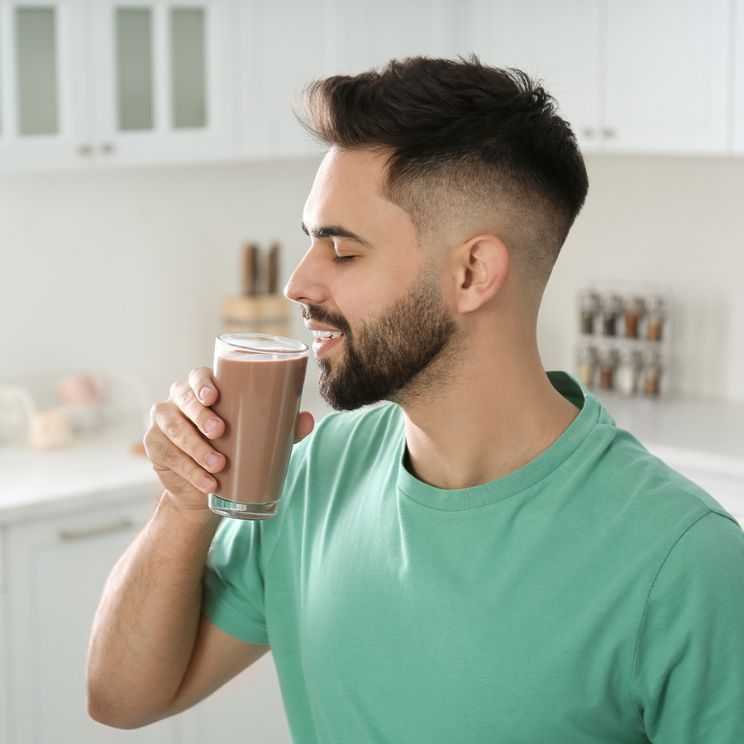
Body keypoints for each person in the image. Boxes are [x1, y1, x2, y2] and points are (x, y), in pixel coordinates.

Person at [86, 55, 744, 743]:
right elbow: (120, 699)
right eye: (311, 243)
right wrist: (186, 501)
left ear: (472, 273)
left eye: (342, 251)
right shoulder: (311, 476)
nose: (298, 285)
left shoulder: (684, 563)